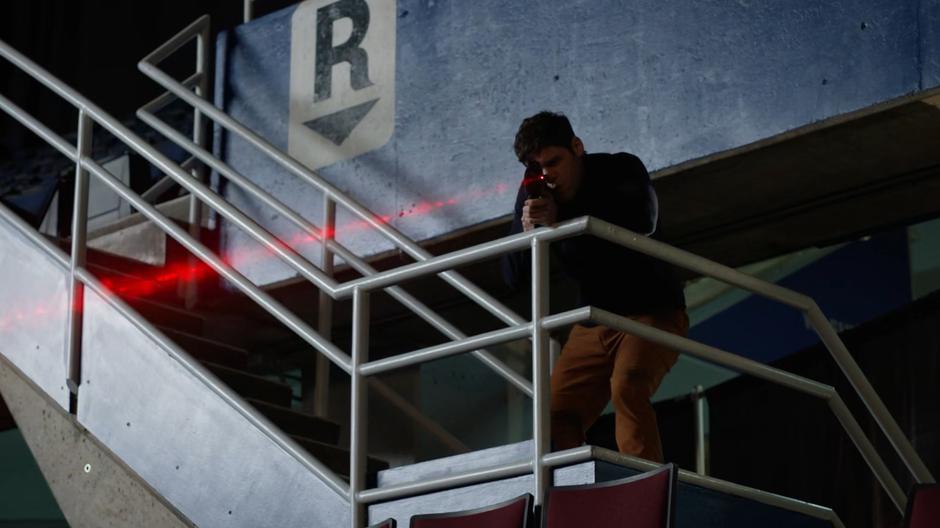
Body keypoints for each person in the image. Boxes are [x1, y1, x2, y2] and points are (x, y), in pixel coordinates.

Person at [501, 111, 688, 462]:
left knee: (628, 387)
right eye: (537, 166)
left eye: (554, 161)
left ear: (577, 147)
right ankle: (573, 500)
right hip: (594, 321)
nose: (548, 174)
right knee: (553, 417)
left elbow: (642, 220)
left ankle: (643, 491)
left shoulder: (619, 169)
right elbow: (511, 277)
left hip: (651, 310)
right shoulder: (534, 192)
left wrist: (562, 221)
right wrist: (527, 232)